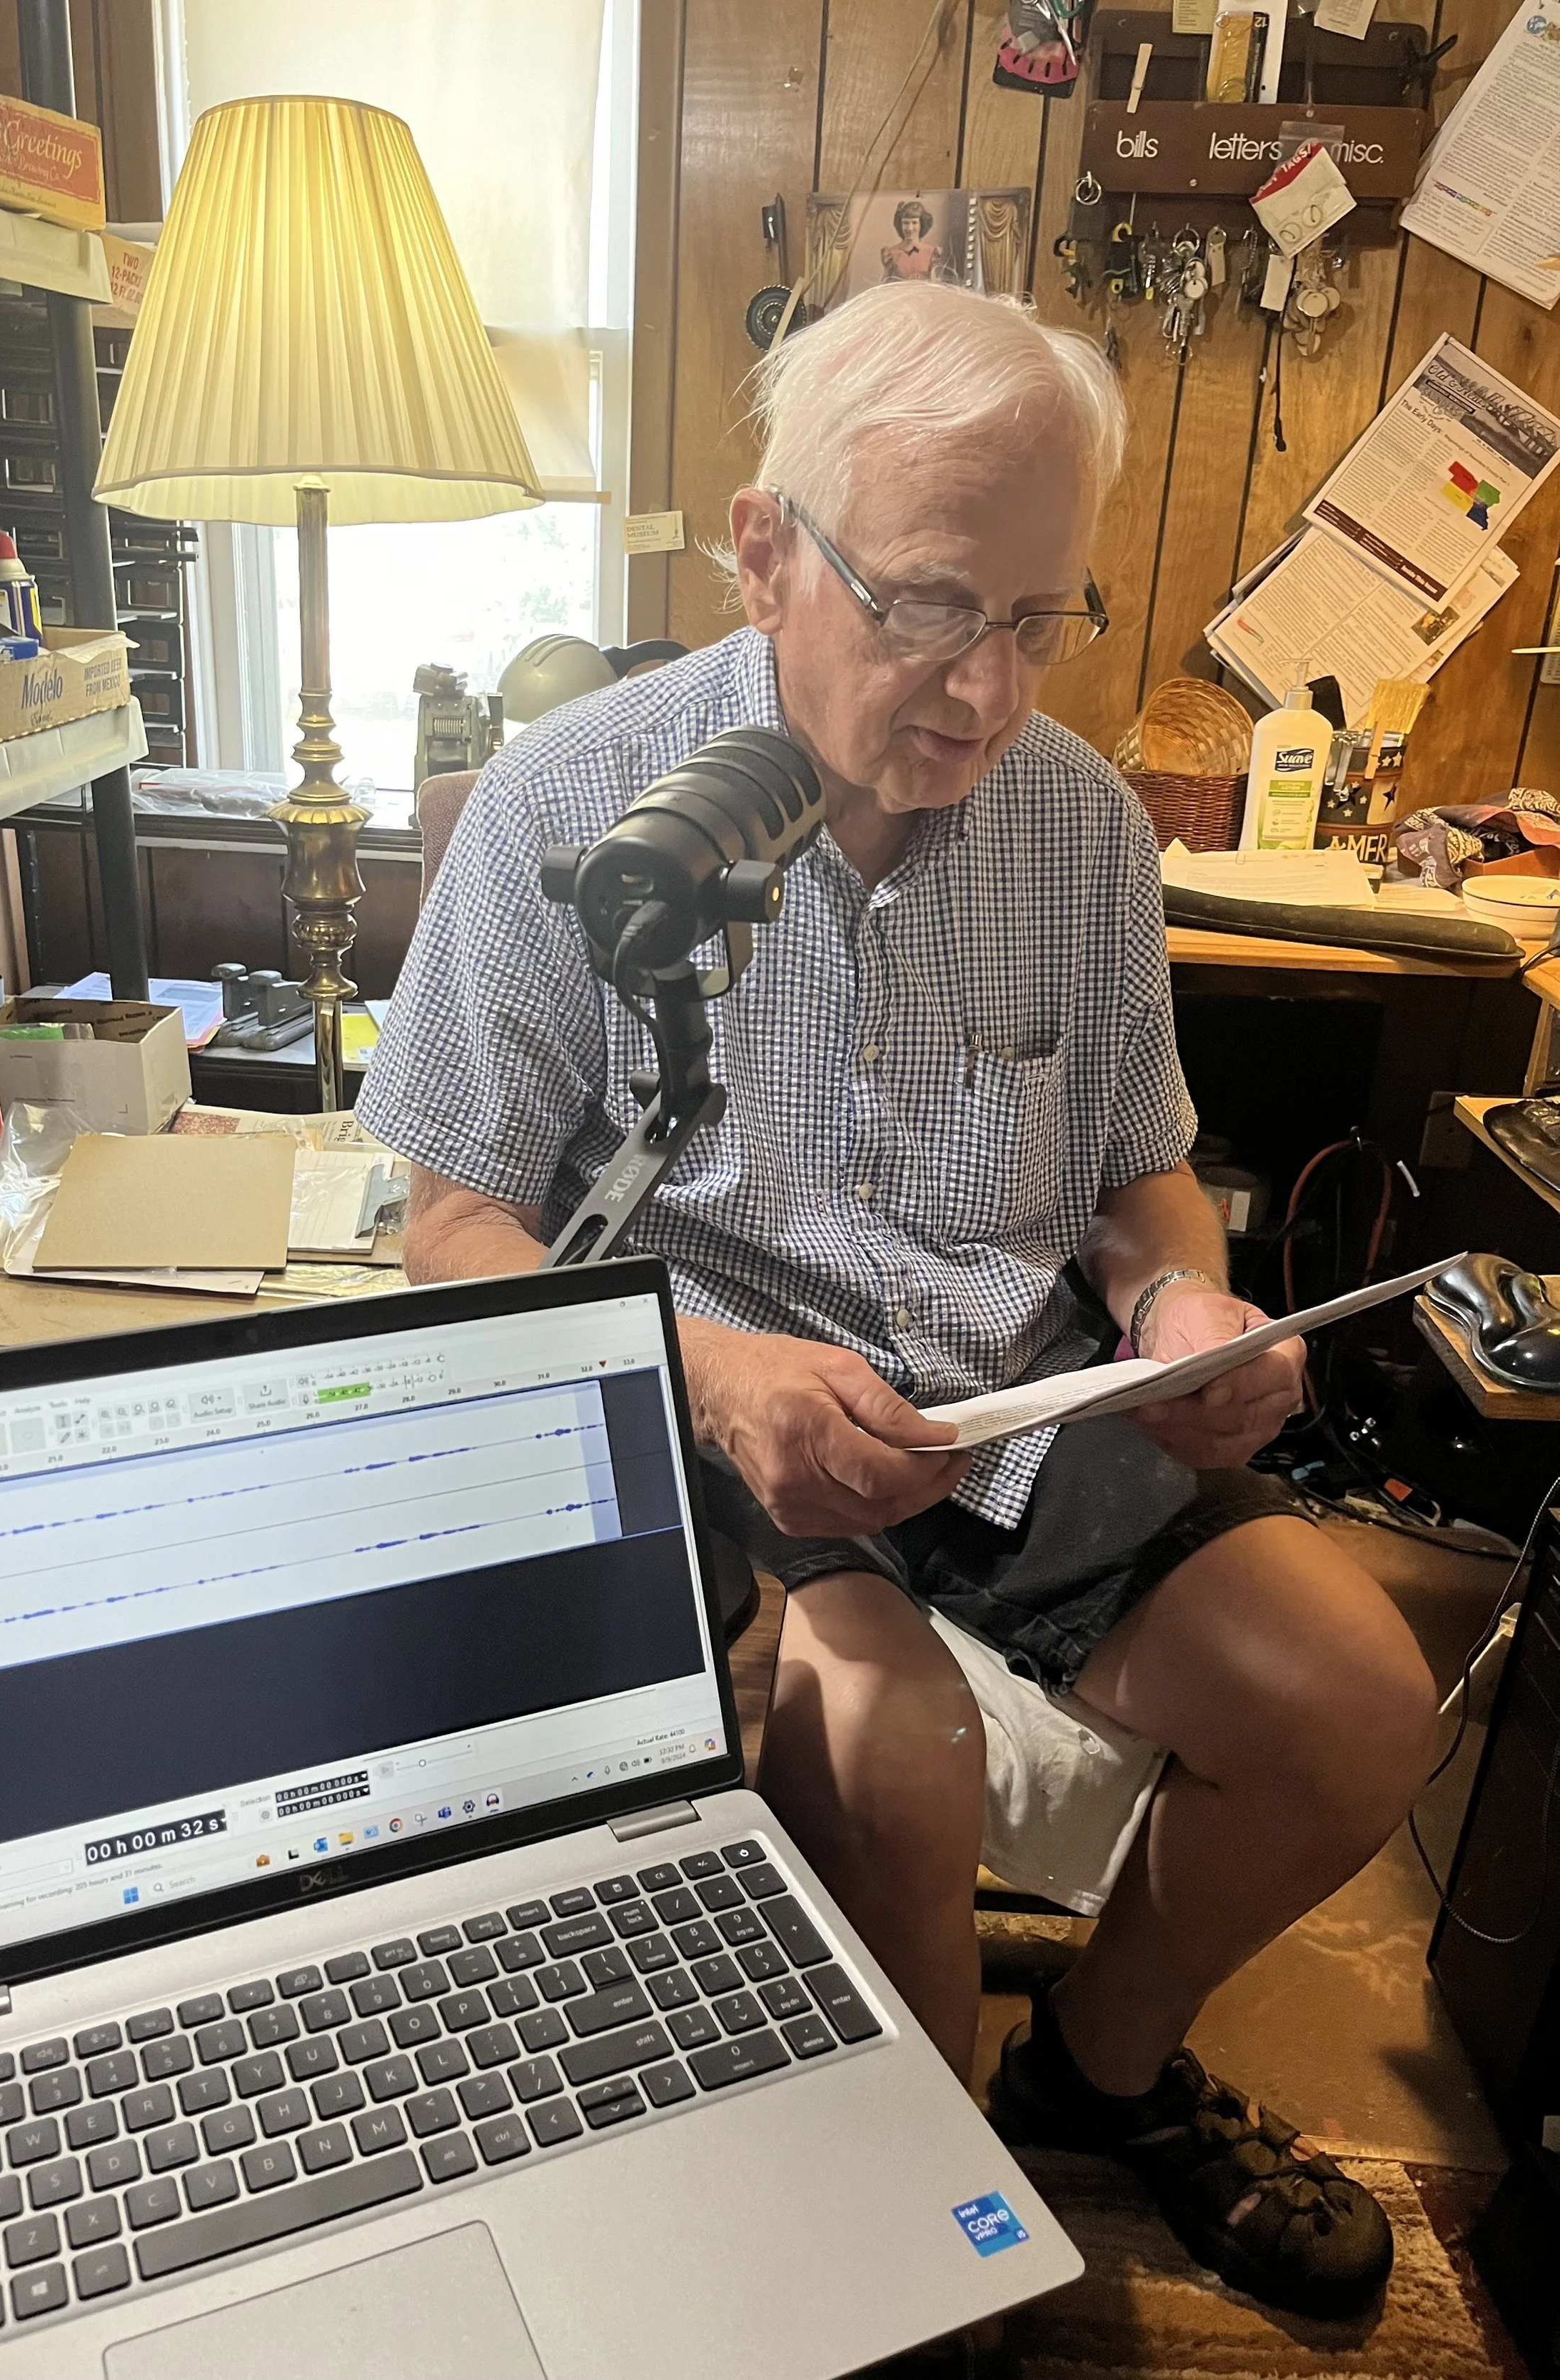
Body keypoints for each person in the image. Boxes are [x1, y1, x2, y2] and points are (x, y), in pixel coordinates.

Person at [357, 281, 1435, 2319]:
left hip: (1006, 1396)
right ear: (765, 553)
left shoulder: (1084, 830)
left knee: (1359, 1706)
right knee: (896, 1736)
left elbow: (1135, 1178)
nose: (987, 688)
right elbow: (454, 1234)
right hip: (707, 1401)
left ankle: (1101, 2075)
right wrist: (713, 1364)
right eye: (934, 605)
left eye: (1042, 620)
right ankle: (913, 2219)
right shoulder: (563, 807)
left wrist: (1182, 1312)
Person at [880, 197, 943, 281]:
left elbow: (934, 285)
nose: (910, 228)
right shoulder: (891, 254)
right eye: (906, 223)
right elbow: (884, 285)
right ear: (900, 225)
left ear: (921, 224)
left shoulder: (931, 253)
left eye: (914, 223)